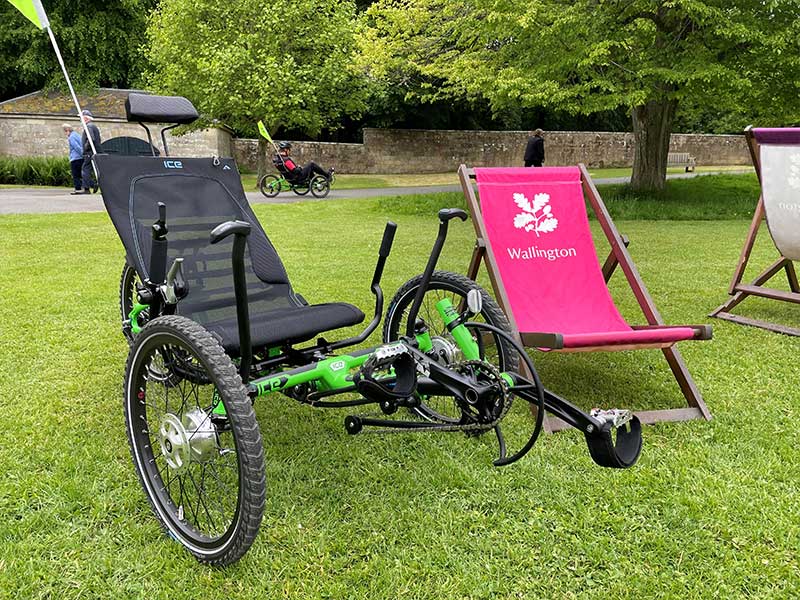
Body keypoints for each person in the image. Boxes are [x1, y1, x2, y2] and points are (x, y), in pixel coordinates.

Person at [78, 109, 101, 194]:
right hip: (93, 152)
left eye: (81, 118)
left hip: (89, 153)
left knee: (85, 170)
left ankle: (87, 188)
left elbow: (91, 138)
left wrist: (85, 147)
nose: (80, 119)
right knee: (94, 170)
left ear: (86, 118)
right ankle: (93, 184)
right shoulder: (92, 126)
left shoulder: (89, 126)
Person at [64, 124, 83, 194]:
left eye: (65, 131)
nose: (65, 134)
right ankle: (91, 184)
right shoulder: (77, 135)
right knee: (81, 174)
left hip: (75, 158)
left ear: (68, 130)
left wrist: (81, 154)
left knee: (76, 175)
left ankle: (78, 189)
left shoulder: (71, 137)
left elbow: (76, 147)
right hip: (81, 158)